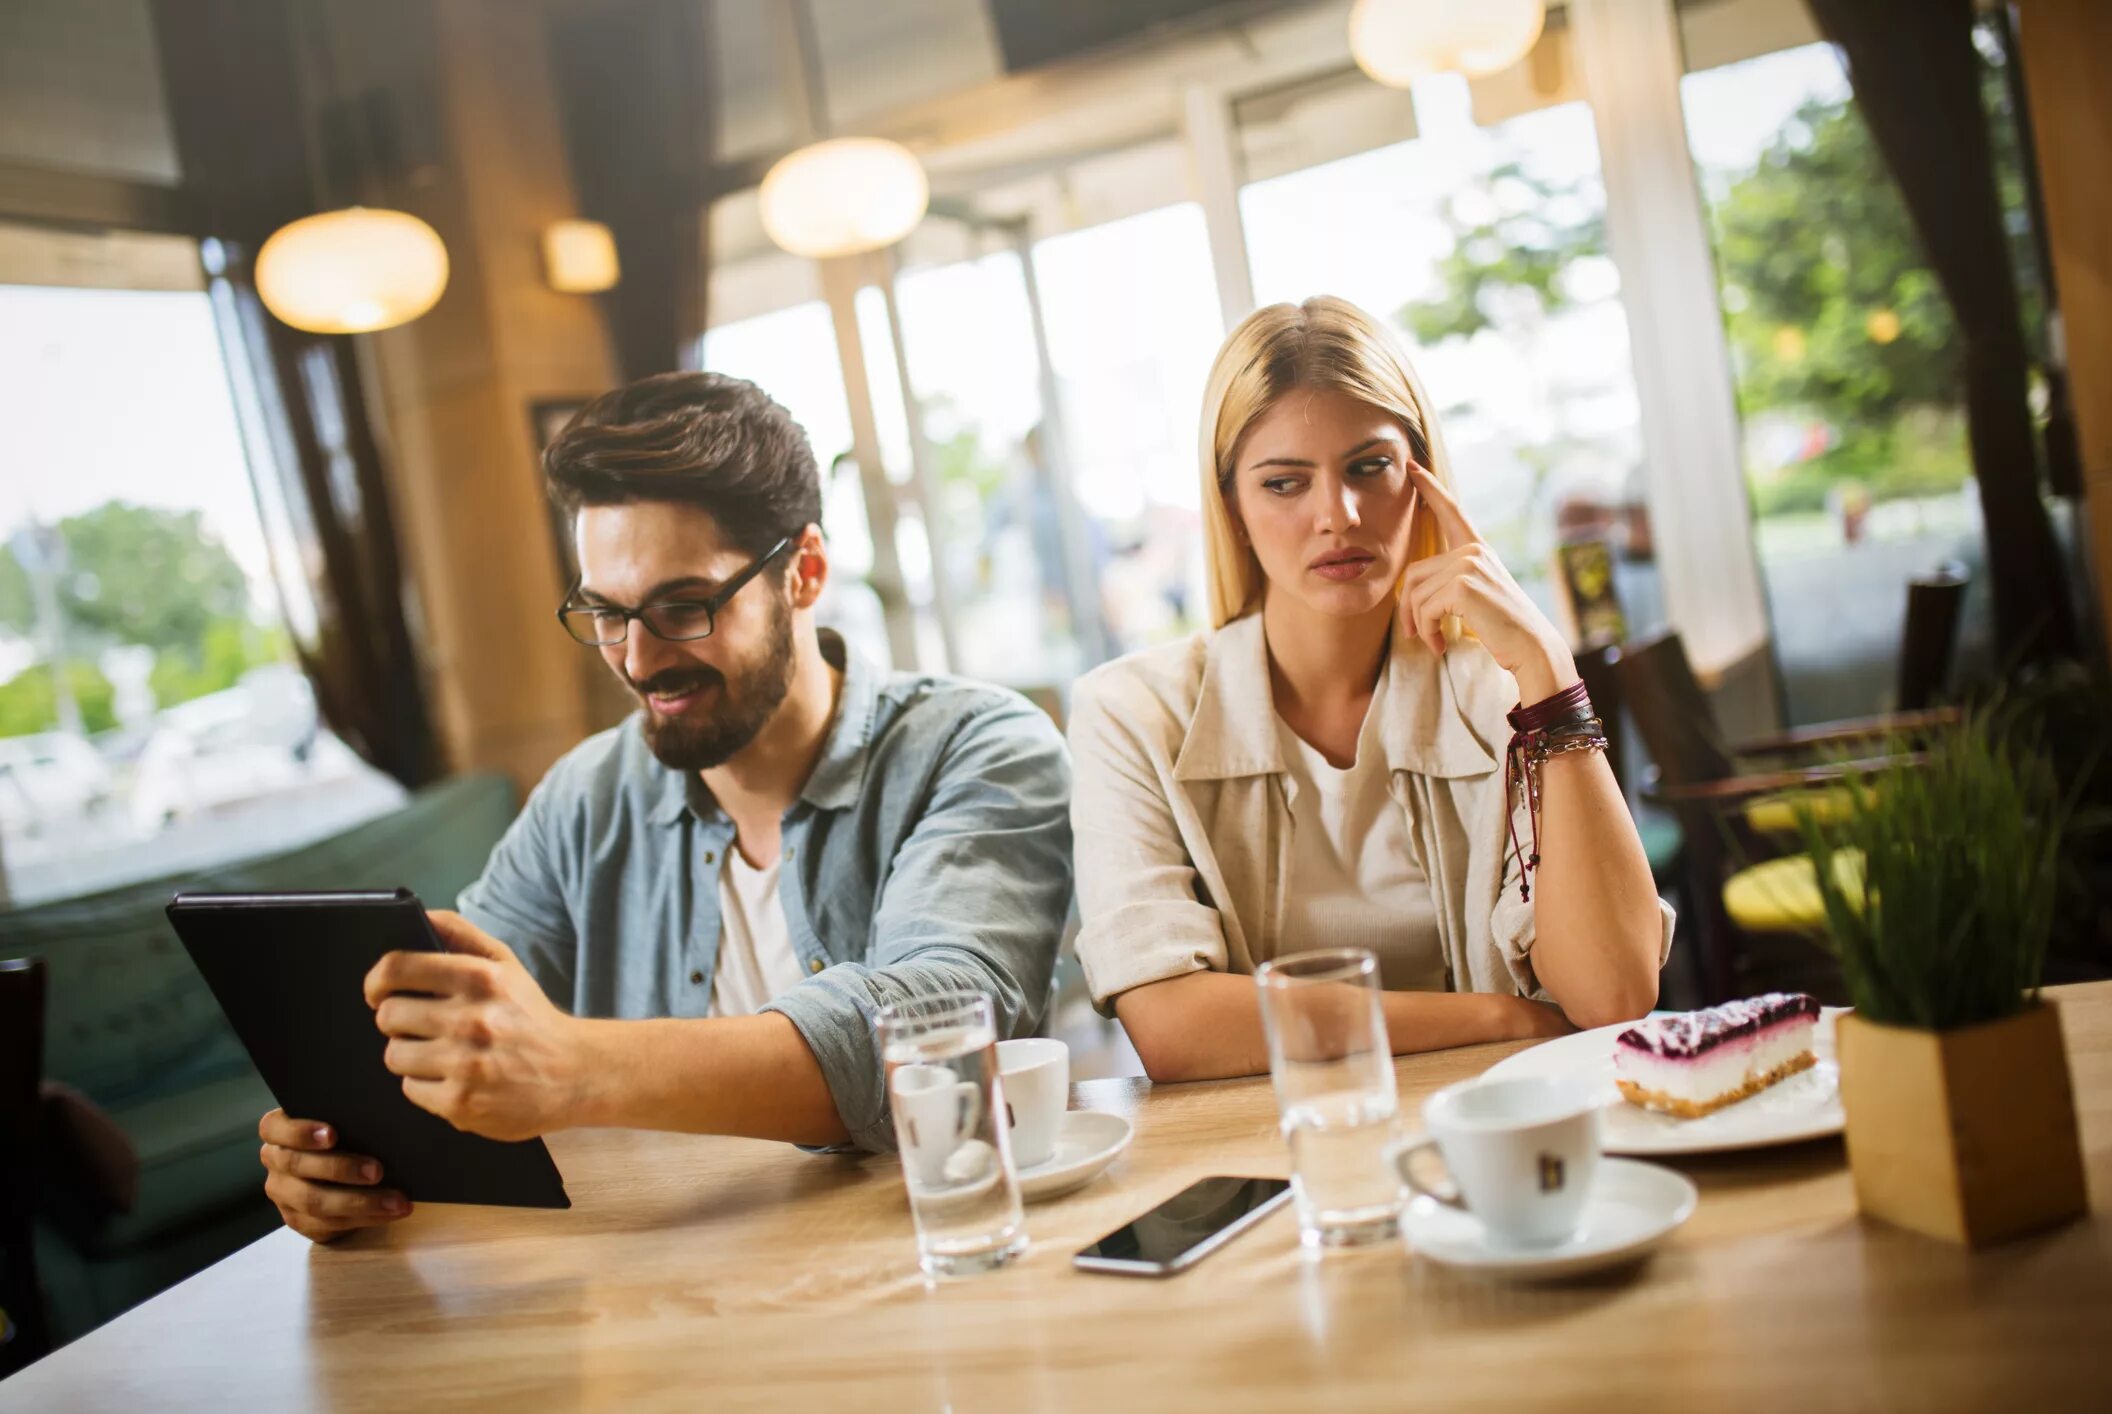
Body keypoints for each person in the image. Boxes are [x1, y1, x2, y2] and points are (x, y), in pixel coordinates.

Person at [258, 372, 1073, 1242]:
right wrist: (345, 1150)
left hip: (936, 1255)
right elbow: (464, 1031)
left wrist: (576, 1068)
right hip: (668, 1299)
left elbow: (940, 1025)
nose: (639, 660)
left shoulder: (978, 745)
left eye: (682, 607)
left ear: (803, 572)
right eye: (606, 613)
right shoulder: (585, 798)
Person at [1068, 297, 1671, 1082]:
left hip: (1502, 1139)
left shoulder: (1497, 694)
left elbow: (1613, 992)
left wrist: (1548, 670)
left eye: (1368, 467)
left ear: (1420, 480)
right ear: (1233, 510)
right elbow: (1174, 1027)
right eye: (1284, 483)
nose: (1337, 515)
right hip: (1272, 1159)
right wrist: (1498, 1016)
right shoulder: (1131, 714)